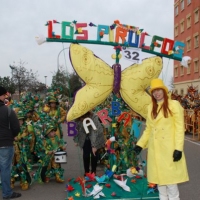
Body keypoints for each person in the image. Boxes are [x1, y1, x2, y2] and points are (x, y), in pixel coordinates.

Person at [133, 79, 189, 200]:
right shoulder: (150, 108)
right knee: (161, 187)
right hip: (155, 151)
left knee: (171, 185)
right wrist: (140, 145)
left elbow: (180, 128)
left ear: (163, 90)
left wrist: (178, 148)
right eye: (154, 91)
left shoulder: (174, 105)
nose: (156, 93)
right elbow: (148, 129)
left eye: (159, 90)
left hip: (169, 151)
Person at [0, 86, 21, 199]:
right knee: (5, 168)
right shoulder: (7, 110)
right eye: (4, 95)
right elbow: (16, 127)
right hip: (5, 143)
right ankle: (7, 193)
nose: (5, 97)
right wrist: (12, 136)